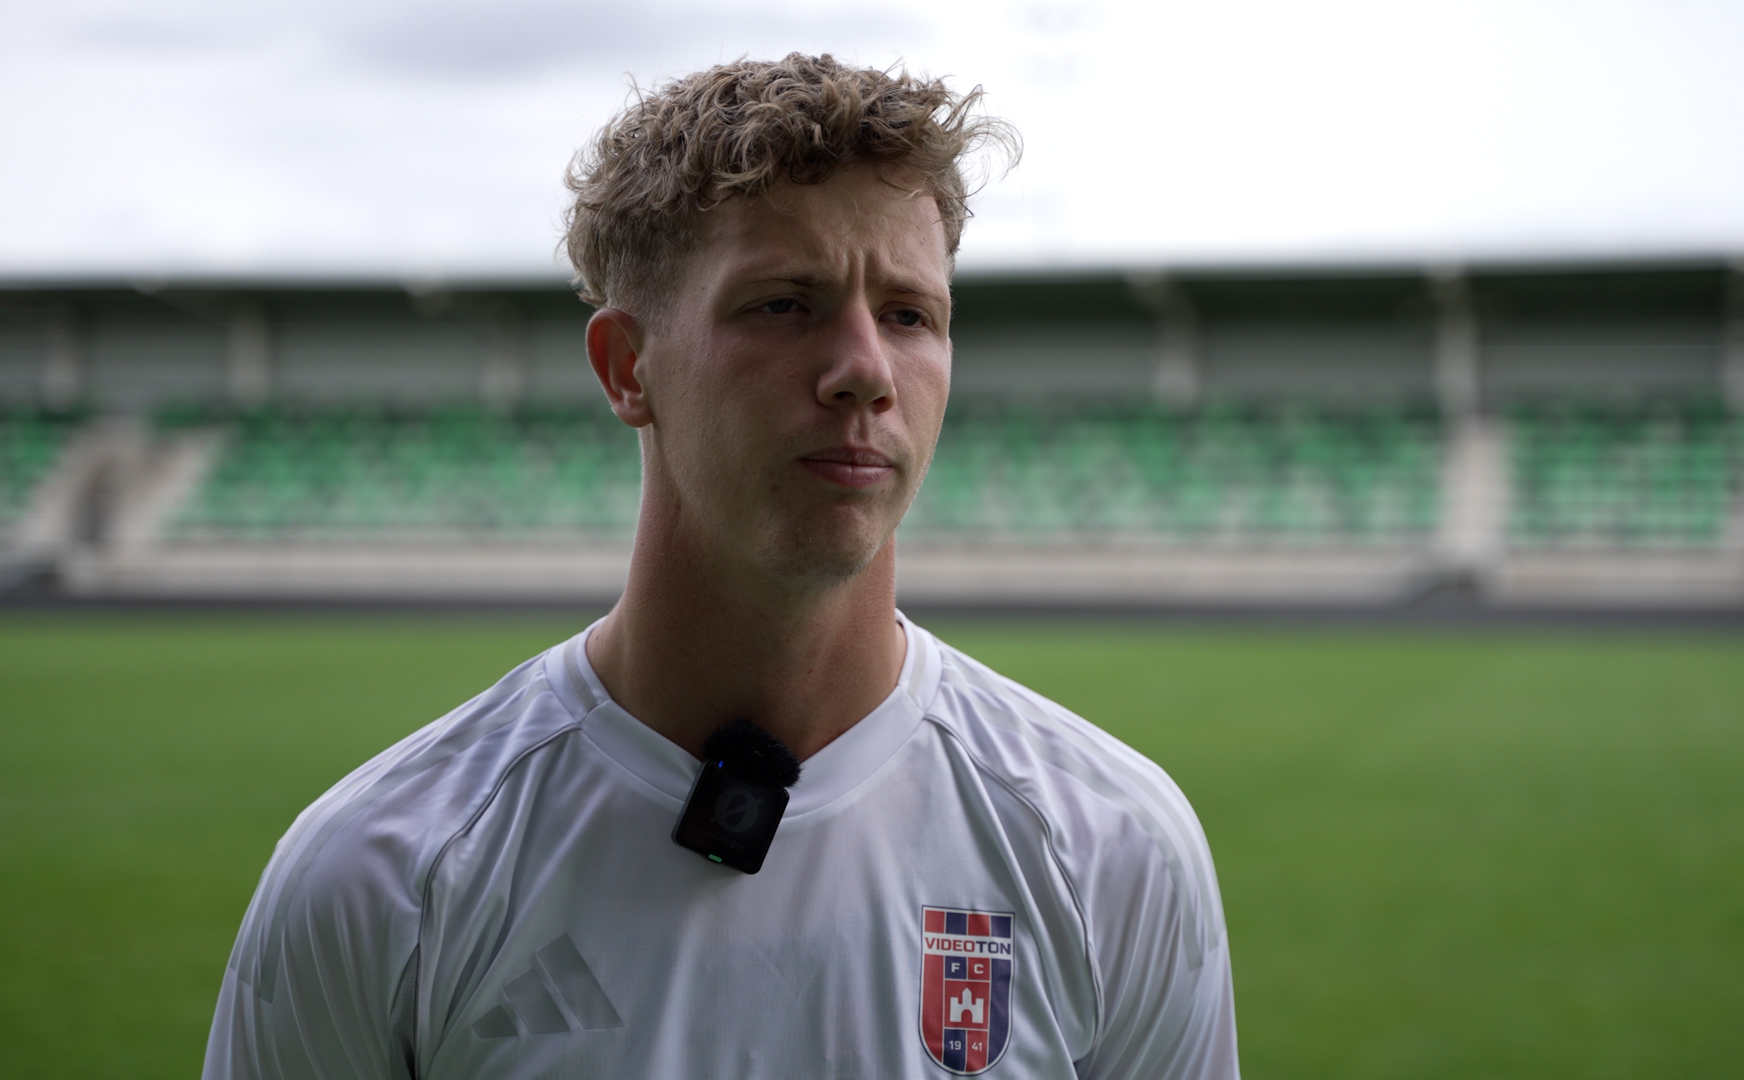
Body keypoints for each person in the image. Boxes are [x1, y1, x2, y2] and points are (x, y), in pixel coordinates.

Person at [203, 53, 1237, 1079]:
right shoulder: (384, 873)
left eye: (909, 315)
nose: (866, 371)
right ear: (628, 368)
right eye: (783, 304)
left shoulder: (1110, 846)